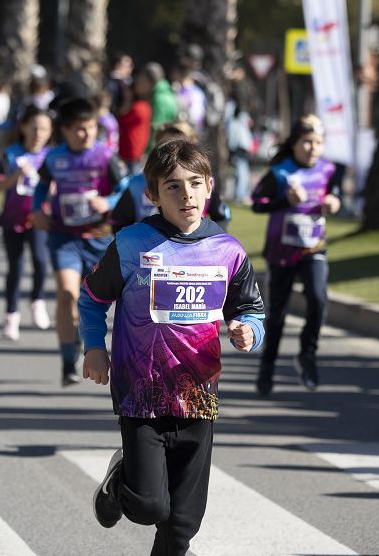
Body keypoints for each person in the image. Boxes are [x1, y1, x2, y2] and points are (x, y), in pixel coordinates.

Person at [78, 138, 265, 553]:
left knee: (182, 525)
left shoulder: (228, 251)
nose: (187, 195)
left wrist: (249, 331)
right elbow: (91, 298)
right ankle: (122, 477)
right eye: (173, 187)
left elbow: (252, 309)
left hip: (198, 395)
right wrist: (94, 345)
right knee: (148, 507)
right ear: (152, 195)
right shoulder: (131, 243)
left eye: (195, 184)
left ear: (210, 187)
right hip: (140, 392)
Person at [32, 97, 130, 386]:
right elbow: (40, 186)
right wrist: (37, 209)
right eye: (79, 129)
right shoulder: (53, 157)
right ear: (64, 130)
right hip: (65, 237)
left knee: (104, 301)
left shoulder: (105, 156)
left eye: (90, 128)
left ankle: (90, 341)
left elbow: (125, 187)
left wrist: (107, 201)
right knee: (67, 294)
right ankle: (67, 360)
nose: (86, 134)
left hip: (100, 239)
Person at [250, 114, 341, 396]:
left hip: (314, 247)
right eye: (306, 142)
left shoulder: (329, 170)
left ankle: (307, 356)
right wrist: (284, 201)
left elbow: (335, 195)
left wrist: (333, 203)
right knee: (277, 314)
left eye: (318, 142)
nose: (312, 148)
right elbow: (257, 203)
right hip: (281, 250)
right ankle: (267, 368)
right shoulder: (281, 171)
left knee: (318, 298)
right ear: (295, 143)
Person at [0, 105, 54, 340]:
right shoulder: (10, 154)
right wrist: (16, 175)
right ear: (24, 128)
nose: (39, 133)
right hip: (12, 218)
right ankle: (11, 315)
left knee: (40, 261)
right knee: (15, 268)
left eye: (44, 129)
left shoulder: (52, 157)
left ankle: (37, 301)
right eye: (35, 128)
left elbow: (57, 188)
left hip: (39, 218)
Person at [111, 121, 198, 233]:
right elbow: (118, 223)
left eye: (181, 147)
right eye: (166, 148)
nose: (173, 155)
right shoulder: (137, 185)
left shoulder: (202, 182)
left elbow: (220, 217)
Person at [117, 70, 153, 174]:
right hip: (136, 148)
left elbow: (122, 119)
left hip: (132, 148)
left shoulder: (136, 107)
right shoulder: (145, 105)